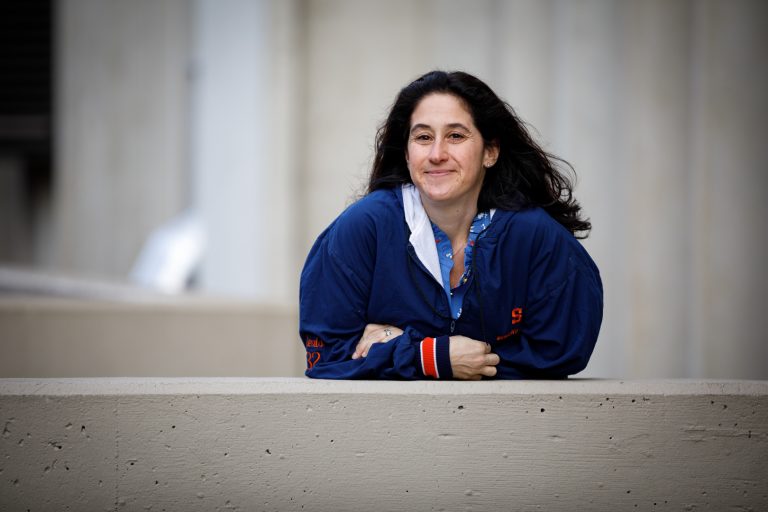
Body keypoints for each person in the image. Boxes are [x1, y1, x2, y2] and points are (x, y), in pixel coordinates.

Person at [299, 70, 602, 380]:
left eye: (456, 136)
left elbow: (562, 352)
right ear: (406, 152)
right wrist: (429, 357)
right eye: (423, 137)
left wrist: (399, 346)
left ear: (490, 151)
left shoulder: (537, 238)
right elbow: (325, 357)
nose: (437, 154)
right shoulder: (362, 229)